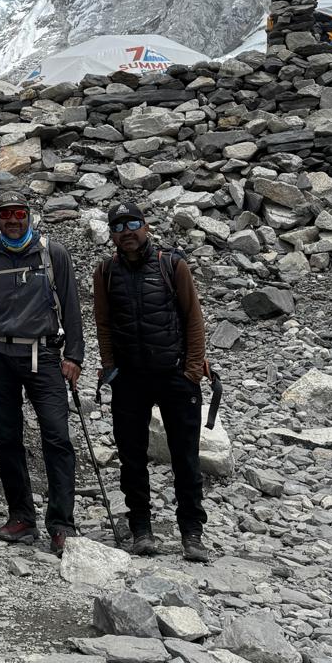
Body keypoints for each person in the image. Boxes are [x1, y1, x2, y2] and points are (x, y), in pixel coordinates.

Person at [0, 189, 85, 556]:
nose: (12, 221)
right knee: (7, 438)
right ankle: (21, 517)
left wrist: (74, 356)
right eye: (5, 215)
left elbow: (72, 306)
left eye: (18, 214)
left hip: (43, 355)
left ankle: (61, 523)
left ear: (29, 215)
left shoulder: (52, 253)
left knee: (57, 437)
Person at [93, 202, 211, 562]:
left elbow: (193, 317)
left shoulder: (171, 265)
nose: (126, 231)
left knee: (185, 458)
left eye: (132, 223)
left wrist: (192, 369)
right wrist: (109, 366)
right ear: (111, 234)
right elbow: (103, 324)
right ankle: (141, 529)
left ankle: (192, 533)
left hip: (175, 375)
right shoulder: (105, 272)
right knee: (131, 458)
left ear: (145, 227)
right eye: (118, 226)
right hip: (130, 379)